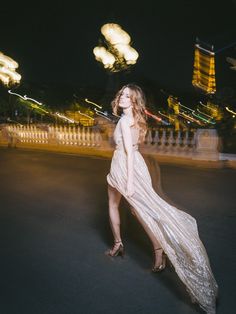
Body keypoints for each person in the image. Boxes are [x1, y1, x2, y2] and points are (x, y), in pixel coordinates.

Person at [106, 83, 218, 314]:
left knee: (124, 206)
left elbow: (127, 152)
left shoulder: (124, 122)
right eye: (121, 95)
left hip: (125, 168)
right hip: (135, 166)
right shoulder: (135, 120)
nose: (123, 98)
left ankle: (126, 245)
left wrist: (128, 181)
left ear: (135, 100)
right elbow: (134, 149)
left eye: (128, 96)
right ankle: (153, 250)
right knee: (141, 210)